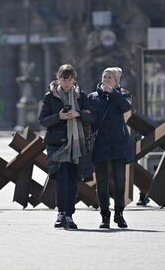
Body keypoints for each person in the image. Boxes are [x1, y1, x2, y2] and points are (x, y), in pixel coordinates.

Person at [39, 64, 94, 229]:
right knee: (61, 180)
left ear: (74, 79)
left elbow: (92, 118)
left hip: (77, 145)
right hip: (58, 145)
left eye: (70, 79)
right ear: (58, 79)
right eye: (64, 79)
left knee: (73, 181)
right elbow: (43, 120)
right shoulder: (50, 97)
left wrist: (79, 114)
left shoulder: (81, 96)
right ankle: (61, 213)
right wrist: (59, 116)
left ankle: (69, 215)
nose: (67, 83)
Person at [88, 67, 134, 228]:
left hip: (118, 144)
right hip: (100, 145)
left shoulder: (123, 95)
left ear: (116, 81)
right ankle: (105, 216)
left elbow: (126, 107)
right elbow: (88, 115)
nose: (106, 79)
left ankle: (119, 214)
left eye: (110, 77)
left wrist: (113, 93)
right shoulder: (92, 97)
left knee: (120, 181)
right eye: (104, 76)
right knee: (102, 182)